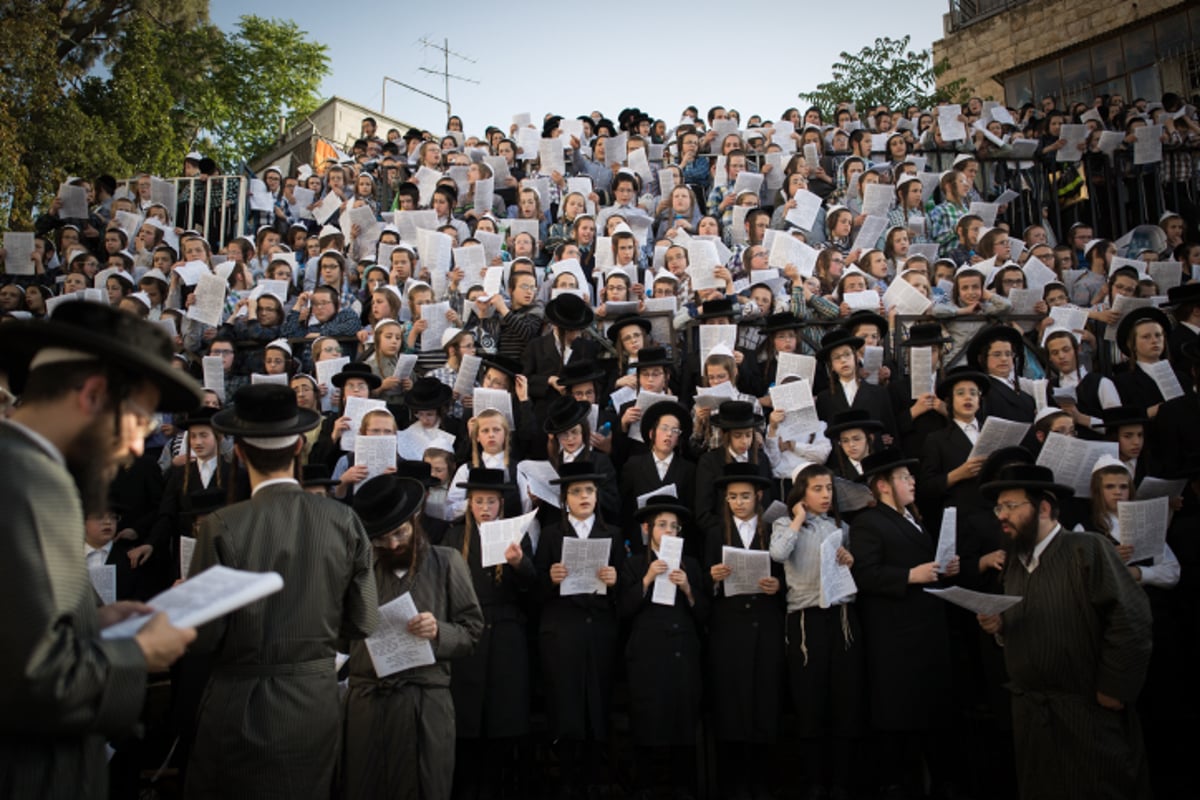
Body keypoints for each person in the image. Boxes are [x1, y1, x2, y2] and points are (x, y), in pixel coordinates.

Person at [0, 301, 199, 798]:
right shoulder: (30, 482)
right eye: (140, 421)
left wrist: (93, 625)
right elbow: (34, 684)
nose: (137, 448)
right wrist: (139, 651)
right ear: (93, 395)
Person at [184, 383, 380, 800]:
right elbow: (364, 619)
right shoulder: (342, 521)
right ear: (297, 449)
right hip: (315, 702)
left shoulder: (221, 524)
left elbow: (204, 637)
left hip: (240, 703)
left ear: (238, 452)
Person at [977, 464, 1153, 800]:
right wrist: (1000, 627)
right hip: (1033, 719)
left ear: (1043, 507)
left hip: (1087, 714)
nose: (1003, 516)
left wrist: (1115, 687)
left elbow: (1132, 617)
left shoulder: (1086, 548)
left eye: (1011, 506)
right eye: (999, 508)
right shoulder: (1015, 563)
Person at [343, 473, 483, 800]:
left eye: (400, 533)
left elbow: (472, 631)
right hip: (370, 703)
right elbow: (337, 634)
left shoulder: (447, 562)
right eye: (381, 539)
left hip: (426, 704)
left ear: (415, 519)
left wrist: (438, 632)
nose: (392, 545)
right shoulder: (357, 570)